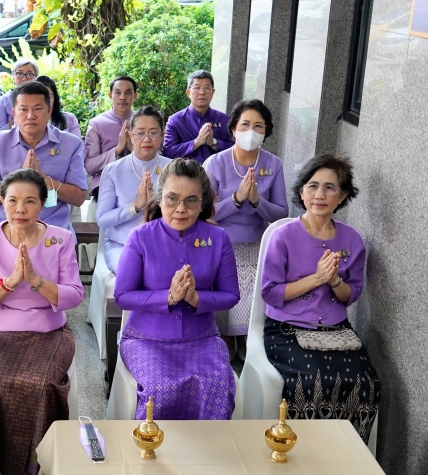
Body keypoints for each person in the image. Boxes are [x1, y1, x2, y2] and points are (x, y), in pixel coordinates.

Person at [0, 168, 84, 475]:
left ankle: (34, 468)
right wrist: (10, 282)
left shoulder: (60, 238)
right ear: (1, 202)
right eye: (13, 200)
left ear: (43, 204)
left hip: (48, 331)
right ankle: (6, 465)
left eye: (30, 201)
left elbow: (74, 294)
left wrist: (35, 280)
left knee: (43, 383)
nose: (20, 209)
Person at [261, 154, 380, 443]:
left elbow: (350, 295)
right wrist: (315, 278)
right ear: (302, 192)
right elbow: (271, 293)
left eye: (330, 188)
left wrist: (334, 279)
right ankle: (303, 453)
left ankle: (348, 457)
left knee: (366, 384)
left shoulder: (352, 240)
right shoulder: (283, 236)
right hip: (287, 329)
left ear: (342, 196)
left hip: (336, 330)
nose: (320, 195)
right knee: (310, 382)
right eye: (313, 186)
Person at [114, 158, 240, 421]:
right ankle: (153, 453)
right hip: (147, 339)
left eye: (191, 200)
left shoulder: (218, 238)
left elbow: (231, 295)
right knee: (161, 388)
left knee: (217, 384)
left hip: (202, 338)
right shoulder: (141, 237)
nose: (181, 209)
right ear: (160, 199)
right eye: (172, 199)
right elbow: (123, 296)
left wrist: (196, 298)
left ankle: (207, 457)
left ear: (202, 202)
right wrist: (169, 297)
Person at [204, 99, 287, 349]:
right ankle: (225, 335)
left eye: (259, 126)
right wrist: (237, 199)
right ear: (233, 129)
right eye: (246, 124)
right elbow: (205, 212)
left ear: (266, 131)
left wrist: (257, 201)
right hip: (219, 240)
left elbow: (281, 215)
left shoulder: (273, 164)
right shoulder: (215, 163)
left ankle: (248, 335)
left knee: (255, 279)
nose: (252, 132)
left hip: (258, 240)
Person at [0, 81, 87, 235]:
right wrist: (19, 178)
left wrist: (44, 180)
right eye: (23, 109)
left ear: (49, 111)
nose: (30, 116)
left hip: (53, 231)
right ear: (14, 113)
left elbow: (79, 197)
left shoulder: (70, 144)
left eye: (37, 109)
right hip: (6, 231)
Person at [96, 106, 170, 274]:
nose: (146, 139)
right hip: (121, 245)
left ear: (162, 135)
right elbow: (102, 220)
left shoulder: (172, 168)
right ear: (130, 135)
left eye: (153, 133)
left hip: (163, 245)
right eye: (140, 133)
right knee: (133, 272)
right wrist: (135, 206)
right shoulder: (113, 170)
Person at [84, 76, 138, 201]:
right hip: (105, 185)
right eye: (118, 92)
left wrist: (133, 149)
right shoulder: (97, 124)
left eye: (128, 93)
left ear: (135, 96)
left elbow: (156, 157)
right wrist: (117, 150)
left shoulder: (143, 121)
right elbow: (90, 166)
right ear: (110, 95)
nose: (122, 97)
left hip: (138, 181)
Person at [162, 70, 233, 164]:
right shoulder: (175, 120)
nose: (202, 92)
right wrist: (196, 142)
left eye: (207, 88)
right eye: (197, 87)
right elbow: (168, 152)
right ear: (188, 93)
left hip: (218, 173)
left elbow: (236, 150)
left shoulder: (224, 120)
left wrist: (213, 142)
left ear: (213, 92)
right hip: (186, 174)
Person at [0, 58, 38, 130]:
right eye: (19, 74)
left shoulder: (41, 99)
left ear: (35, 77)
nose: (24, 79)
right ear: (13, 77)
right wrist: (18, 119)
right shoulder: (3, 101)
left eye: (29, 74)